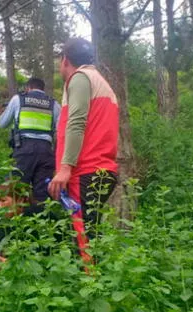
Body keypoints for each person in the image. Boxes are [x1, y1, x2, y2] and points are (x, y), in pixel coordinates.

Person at [48, 38, 119, 263]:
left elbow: (76, 122)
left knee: (83, 242)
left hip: (85, 172)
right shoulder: (101, 83)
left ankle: (92, 290)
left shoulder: (79, 78)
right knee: (90, 236)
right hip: (101, 170)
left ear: (65, 60)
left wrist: (65, 168)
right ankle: (95, 285)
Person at [0, 78, 61, 203]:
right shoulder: (54, 104)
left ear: (28, 88)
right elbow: (60, 132)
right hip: (46, 151)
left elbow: (2, 123)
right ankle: (40, 219)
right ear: (43, 89)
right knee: (42, 194)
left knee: (15, 188)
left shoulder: (18, 99)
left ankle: (13, 218)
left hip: (24, 149)